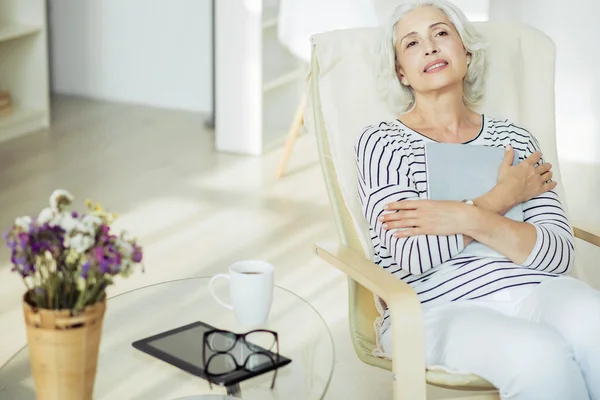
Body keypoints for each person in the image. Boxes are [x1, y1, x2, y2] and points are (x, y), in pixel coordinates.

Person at [355, 1, 600, 399]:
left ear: (466, 52)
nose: (431, 47)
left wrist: (455, 216)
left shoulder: (515, 139)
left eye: (441, 33)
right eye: (412, 43)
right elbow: (410, 258)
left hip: (535, 289)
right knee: (540, 358)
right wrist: (503, 198)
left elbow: (557, 255)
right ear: (401, 72)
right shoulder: (383, 142)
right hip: (438, 308)